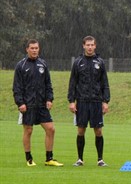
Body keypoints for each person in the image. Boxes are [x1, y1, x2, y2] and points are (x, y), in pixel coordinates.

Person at [13, 39, 63, 167]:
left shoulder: (43, 64)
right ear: (27, 49)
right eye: (32, 48)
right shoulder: (21, 65)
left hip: (41, 104)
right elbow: (17, 87)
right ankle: (29, 159)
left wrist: (49, 99)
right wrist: (20, 103)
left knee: (51, 129)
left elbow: (48, 84)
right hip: (28, 105)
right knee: (28, 131)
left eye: (36, 48)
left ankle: (49, 158)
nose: (34, 50)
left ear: (38, 49)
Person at [68, 36, 110, 167]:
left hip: (97, 101)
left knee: (98, 130)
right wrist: (71, 101)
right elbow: (72, 83)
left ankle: (100, 159)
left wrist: (105, 101)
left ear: (95, 46)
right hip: (82, 101)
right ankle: (80, 159)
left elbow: (105, 83)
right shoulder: (78, 62)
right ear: (83, 46)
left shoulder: (100, 62)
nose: (90, 47)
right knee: (81, 130)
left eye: (92, 45)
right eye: (88, 45)